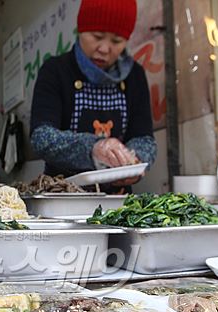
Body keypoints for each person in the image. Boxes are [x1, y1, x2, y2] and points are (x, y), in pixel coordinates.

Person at [30, 0, 156, 191]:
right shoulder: (55, 70)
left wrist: (134, 160)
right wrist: (93, 148)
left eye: (116, 41)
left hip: (118, 200)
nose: (104, 49)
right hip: (63, 195)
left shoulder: (135, 75)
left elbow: (144, 138)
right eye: (97, 36)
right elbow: (41, 137)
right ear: (80, 30)